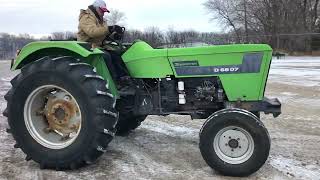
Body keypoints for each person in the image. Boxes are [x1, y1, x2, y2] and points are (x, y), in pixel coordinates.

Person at [77, 0, 128, 82]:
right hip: (88, 46)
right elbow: (92, 32)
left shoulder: (102, 19)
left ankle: (123, 78)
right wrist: (109, 29)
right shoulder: (86, 17)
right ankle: (111, 82)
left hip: (99, 45)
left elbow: (104, 33)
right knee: (106, 57)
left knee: (116, 54)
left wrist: (114, 35)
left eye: (104, 11)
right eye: (102, 11)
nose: (103, 13)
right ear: (96, 8)